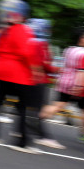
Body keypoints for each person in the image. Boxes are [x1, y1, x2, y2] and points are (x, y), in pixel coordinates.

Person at [0, 0, 42, 153]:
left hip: (2, 71)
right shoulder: (23, 29)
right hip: (18, 73)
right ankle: (22, 142)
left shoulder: (3, 31)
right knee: (23, 107)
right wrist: (35, 69)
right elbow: (25, 52)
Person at [44, 28, 84, 145]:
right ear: (82, 39)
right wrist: (80, 86)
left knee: (58, 105)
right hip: (77, 85)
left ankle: (33, 120)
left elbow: (64, 65)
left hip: (63, 81)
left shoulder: (68, 50)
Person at [27, 18, 64, 149]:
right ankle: (43, 136)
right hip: (40, 79)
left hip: (29, 78)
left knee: (30, 107)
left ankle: (25, 130)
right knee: (39, 109)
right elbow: (44, 63)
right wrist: (57, 69)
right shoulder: (41, 43)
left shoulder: (28, 41)